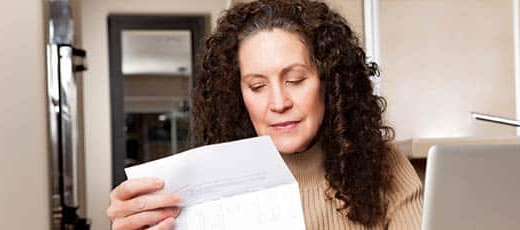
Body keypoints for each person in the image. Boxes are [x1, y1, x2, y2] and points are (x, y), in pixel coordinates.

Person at [106, 0, 423, 229]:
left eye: (295, 80)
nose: (278, 102)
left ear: (330, 82)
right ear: (238, 95)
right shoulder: (199, 185)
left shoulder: (385, 166)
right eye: (257, 86)